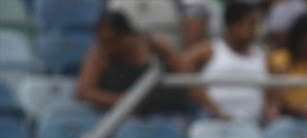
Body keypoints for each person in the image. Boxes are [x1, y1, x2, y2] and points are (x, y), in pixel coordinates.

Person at [77, 10, 225, 118]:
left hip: (172, 114)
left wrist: (216, 111)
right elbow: (84, 91)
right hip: (129, 119)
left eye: (110, 40)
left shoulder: (156, 45)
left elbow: (187, 78)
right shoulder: (100, 53)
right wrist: (124, 102)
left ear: (126, 36)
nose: (105, 45)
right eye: (102, 40)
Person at [184, 1, 279, 123]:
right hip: (212, 119)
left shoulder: (263, 56)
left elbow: (274, 91)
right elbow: (179, 67)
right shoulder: (209, 50)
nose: (254, 29)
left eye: (256, 25)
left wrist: (271, 108)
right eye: (250, 24)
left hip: (252, 123)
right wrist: (211, 106)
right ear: (232, 25)